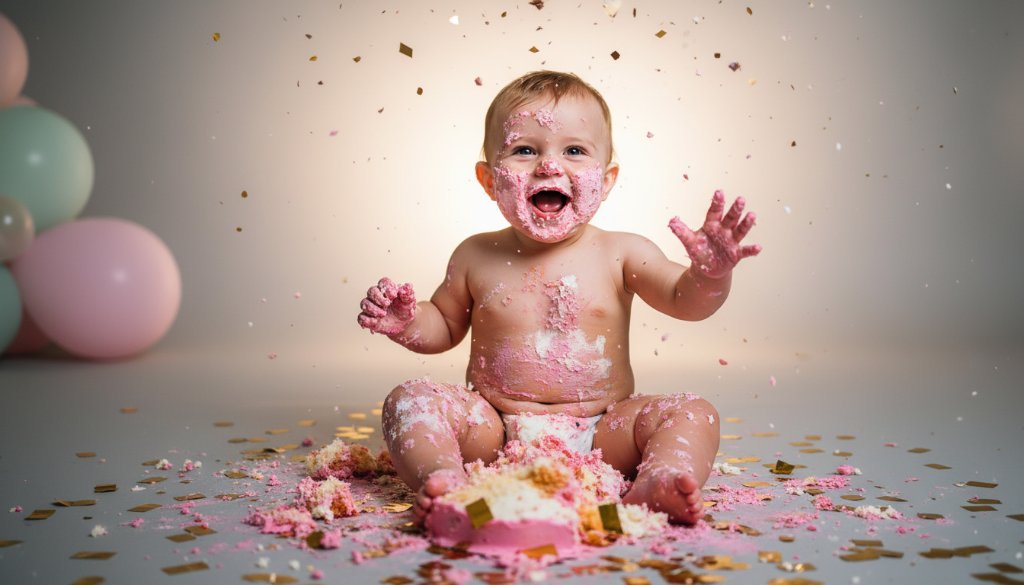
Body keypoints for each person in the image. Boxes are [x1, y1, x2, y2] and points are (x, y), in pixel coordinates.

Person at [357, 70, 760, 525]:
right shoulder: (474, 254)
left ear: (606, 180)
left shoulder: (622, 251)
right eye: (525, 150)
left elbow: (685, 301)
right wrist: (407, 322)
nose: (549, 166)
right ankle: (447, 480)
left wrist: (709, 274)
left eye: (574, 150)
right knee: (408, 399)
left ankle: (661, 480)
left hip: (605, 433)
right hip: (493, 429)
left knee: (693, 413)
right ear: (490, 180)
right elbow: (446, 326)